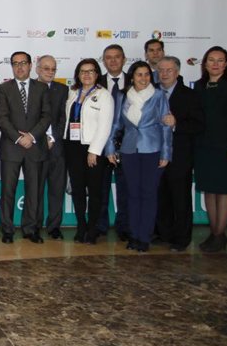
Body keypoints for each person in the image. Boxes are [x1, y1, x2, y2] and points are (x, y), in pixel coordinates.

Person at [105, 61, 172, 253]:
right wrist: (110, 149)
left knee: (148, 194)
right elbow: (116, 124)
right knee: (132, 194)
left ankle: (144, 237)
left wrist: (166, 152)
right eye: (139, 74)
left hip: (152, 149)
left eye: (146, 74)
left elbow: (166, 126)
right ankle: (133, 235)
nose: (143, 78)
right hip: (129, 150)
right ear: (132, 77)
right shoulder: (122, 96)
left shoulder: (159, 95)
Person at [193, 46, 227, 253]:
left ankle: (219, 234)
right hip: (203, 147)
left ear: (226, 64)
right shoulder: (199, 86)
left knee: (223, 191)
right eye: (211, 60)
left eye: (220, 60)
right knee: (209, 190)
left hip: (226, 147)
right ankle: (214, 232)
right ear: (205, 63)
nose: (215, 64)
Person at [0, 52, 51, 244]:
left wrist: (31, 136)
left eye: (23, 63)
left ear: (30, 65)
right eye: (15, 63)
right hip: (11, 148)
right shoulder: (3, 89)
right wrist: (19, 138)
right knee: (8, 191)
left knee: (33, 191)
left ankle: (30, 229)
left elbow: (46, 116)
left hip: (35, 147)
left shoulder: (42, 88)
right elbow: (2, 118)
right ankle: (7, 230)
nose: (19, 67)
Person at [155, 56, 206, 251]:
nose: (164, 74)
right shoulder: (152, 93)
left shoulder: (190, 95)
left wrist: (176, 123)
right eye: (161, 70)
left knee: (180, 198)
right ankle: (164, 234)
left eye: (169, 70)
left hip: (180, 155)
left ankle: (182, 238)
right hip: (155, 153)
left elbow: (199, 124)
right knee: (161, 196)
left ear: (177, 72)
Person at [63, 58, 114, 244]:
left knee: (94, 192)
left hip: (93, 149)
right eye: (83, 71)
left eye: (90, 71)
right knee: (77, 190)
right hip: (72, 147)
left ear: (97, 74)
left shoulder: (104, 95)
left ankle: (92, 230)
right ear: (78, 74)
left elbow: (105, 126)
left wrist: (94, 151)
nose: (86, 74)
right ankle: (81, 227)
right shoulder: (72, 92)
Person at [97, 43, 130, 241]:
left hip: (127, 145)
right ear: (103, 61)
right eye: (108, 57)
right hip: (100, 145)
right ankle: (100, 226)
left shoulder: (136, 81)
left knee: (125, 189)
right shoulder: (95, 82)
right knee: (100, 188)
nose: (113, 61)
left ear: (124, 59)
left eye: (117, 57)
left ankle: (124, 227)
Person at [35, 55, 69, 240]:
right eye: (46, 68)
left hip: (57, 148)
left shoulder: (62, 90)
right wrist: (41, 138)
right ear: (37, 69)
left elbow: (64, 118)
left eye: (53, 69)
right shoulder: (29, 88)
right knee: (36, 190)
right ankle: (35, 225)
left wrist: (53, 137)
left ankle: (54, 226)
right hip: (36, 147)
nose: (50, 72)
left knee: (57, 189)